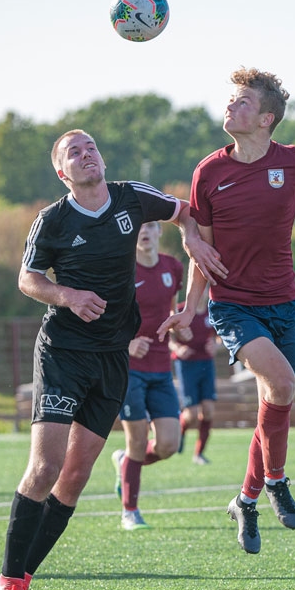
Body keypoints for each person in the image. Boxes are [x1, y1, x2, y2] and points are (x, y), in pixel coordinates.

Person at [0, 129, 224, 590]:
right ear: (63, 173)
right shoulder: (52, 220)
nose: (85, 155)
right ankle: (9, 583)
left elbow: (186, 210)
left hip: (113, 358)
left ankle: (25, 576)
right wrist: (69, 296)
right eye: (73, 153)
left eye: (90, 147)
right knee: (45, 468)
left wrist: (186, 231)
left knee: (75, 479)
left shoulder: (130, 197)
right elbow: (27, 278)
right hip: (62, 353)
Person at [160, 67, 295, 554]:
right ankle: (276, 480)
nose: (231, 106)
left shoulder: (291, 161)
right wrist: (191, 309)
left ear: (266, 118)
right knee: (281, 385)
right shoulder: (209, 172)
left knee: (272, 406)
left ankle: (246, 500)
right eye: (231, 99)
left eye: (243, 102)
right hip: (234, 305)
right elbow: (203, 253)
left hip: (285, 303)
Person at [110, 220, 188, 531]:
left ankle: (125, 463)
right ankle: (130, 511)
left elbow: (170, 308)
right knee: (137, 441)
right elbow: (103, 318)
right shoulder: (121, 270)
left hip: (161, 367)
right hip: (128, 369)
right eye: (138, 226)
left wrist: (176, 328)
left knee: (169, 444)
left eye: (151, 225)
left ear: (159, 231)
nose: (144, 230)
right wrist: (126, 343)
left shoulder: (172, 267)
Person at [170, 295, 219, 465]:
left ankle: (199, 454)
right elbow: (166, 335)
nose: (203, 291)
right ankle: (180, 432)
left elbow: (222, 336)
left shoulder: (213, 311)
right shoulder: (180, 309)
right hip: (186, 365)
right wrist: (177, 347)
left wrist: (217, 345)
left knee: (208, 410)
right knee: (190, 415)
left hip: (206, 364)